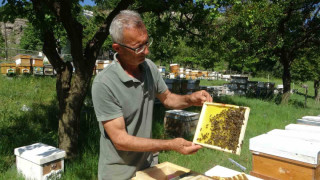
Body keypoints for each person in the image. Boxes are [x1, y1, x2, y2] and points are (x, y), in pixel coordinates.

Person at [92, 10, 213, 180]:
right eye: (138, 47)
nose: (146, 51)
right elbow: (120, 139)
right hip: (119, 173)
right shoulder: (104, 83)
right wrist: (171, 144)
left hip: (149, 165)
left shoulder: (149, 67)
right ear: (117, 48)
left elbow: (168, 98)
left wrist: (190, 99)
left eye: (147, 43)